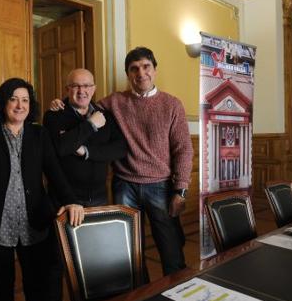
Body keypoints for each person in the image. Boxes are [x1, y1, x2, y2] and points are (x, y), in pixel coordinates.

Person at [51, 47, 193, 279]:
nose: (141, 73)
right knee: (129, 251)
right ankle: (141, 293)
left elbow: (184, 149)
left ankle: (175, 290)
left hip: (161, 186)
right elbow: (83, 101)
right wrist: (60, 103)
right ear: (128, 74)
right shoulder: (114, 102)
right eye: (134, 69)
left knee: (171, 250)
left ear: (155, 70)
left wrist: (181, 190)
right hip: (124, 185)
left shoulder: (172, 104)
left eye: (146, 67)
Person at [0, 77, 84, 301]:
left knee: (39, 287)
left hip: (34, 221)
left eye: (25, 100)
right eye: (14, 99)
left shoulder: (39, 134)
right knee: (0, 288)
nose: (20, 105)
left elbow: (54, 171)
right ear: (3, 103)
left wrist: (71, 200)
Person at [43, 68, 128, 207]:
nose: (82, 91)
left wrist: (86, 151)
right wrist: (91, 124)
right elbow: (61, 147)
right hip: (64, 199)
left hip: (99, 197)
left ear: (93, 89)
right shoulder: (53, 116)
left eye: (87, 86)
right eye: (75, 86)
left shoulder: (105, 116)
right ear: (67, 89)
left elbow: (120, 149)